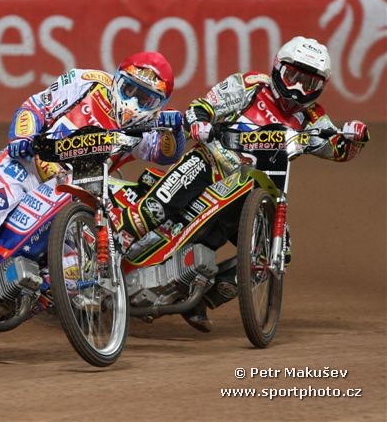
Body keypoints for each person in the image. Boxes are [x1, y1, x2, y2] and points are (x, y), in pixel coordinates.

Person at [0, 51, 187, 346]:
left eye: (146, 99)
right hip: (23, 169)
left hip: (67, 193)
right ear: (118, 79)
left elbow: (165, 154)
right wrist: (22, 137)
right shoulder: (87, 82)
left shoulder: (146, 127)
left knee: (69, 272)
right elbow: (35, 106)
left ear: (159, 105)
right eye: (130, 90)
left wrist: (175, 131)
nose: (133, 103)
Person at [113, 36, 370, 333]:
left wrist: (355, 137)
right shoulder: (251, 85)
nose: (298, 89)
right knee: (159, 207)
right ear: (277, 68)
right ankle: (115, 245)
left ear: (321, 87)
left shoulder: (313, 117)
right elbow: (202, 107)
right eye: (292, 77)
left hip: (257, 192)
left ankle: (201, 296)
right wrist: (200, 123)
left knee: (277, 253)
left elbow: (337, 148)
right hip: (211, 164)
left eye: (309, 83)